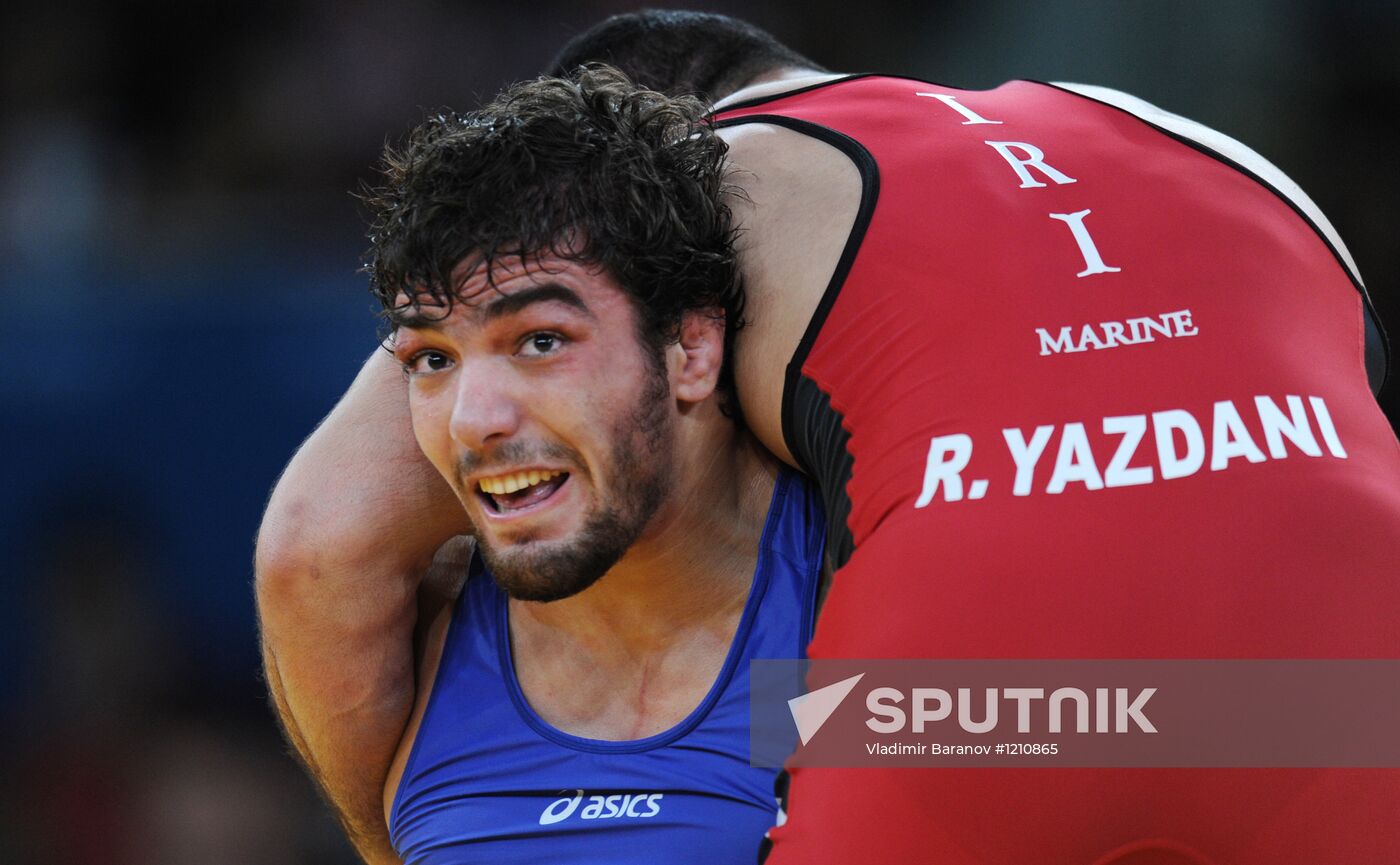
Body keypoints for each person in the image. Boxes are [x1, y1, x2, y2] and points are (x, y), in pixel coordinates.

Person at [260, 10, 1400, 865]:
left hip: (969, 719)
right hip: (1334, 704)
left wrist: (400, 831)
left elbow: (320, 541)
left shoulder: (702, 186)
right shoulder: (1197, 144)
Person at [259, 67, 824, 864]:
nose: (473, 419)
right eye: (430, 358)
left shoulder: (849, 606)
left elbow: (1055, 753)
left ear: (690, 349)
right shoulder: (402, 645)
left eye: (540, 340)